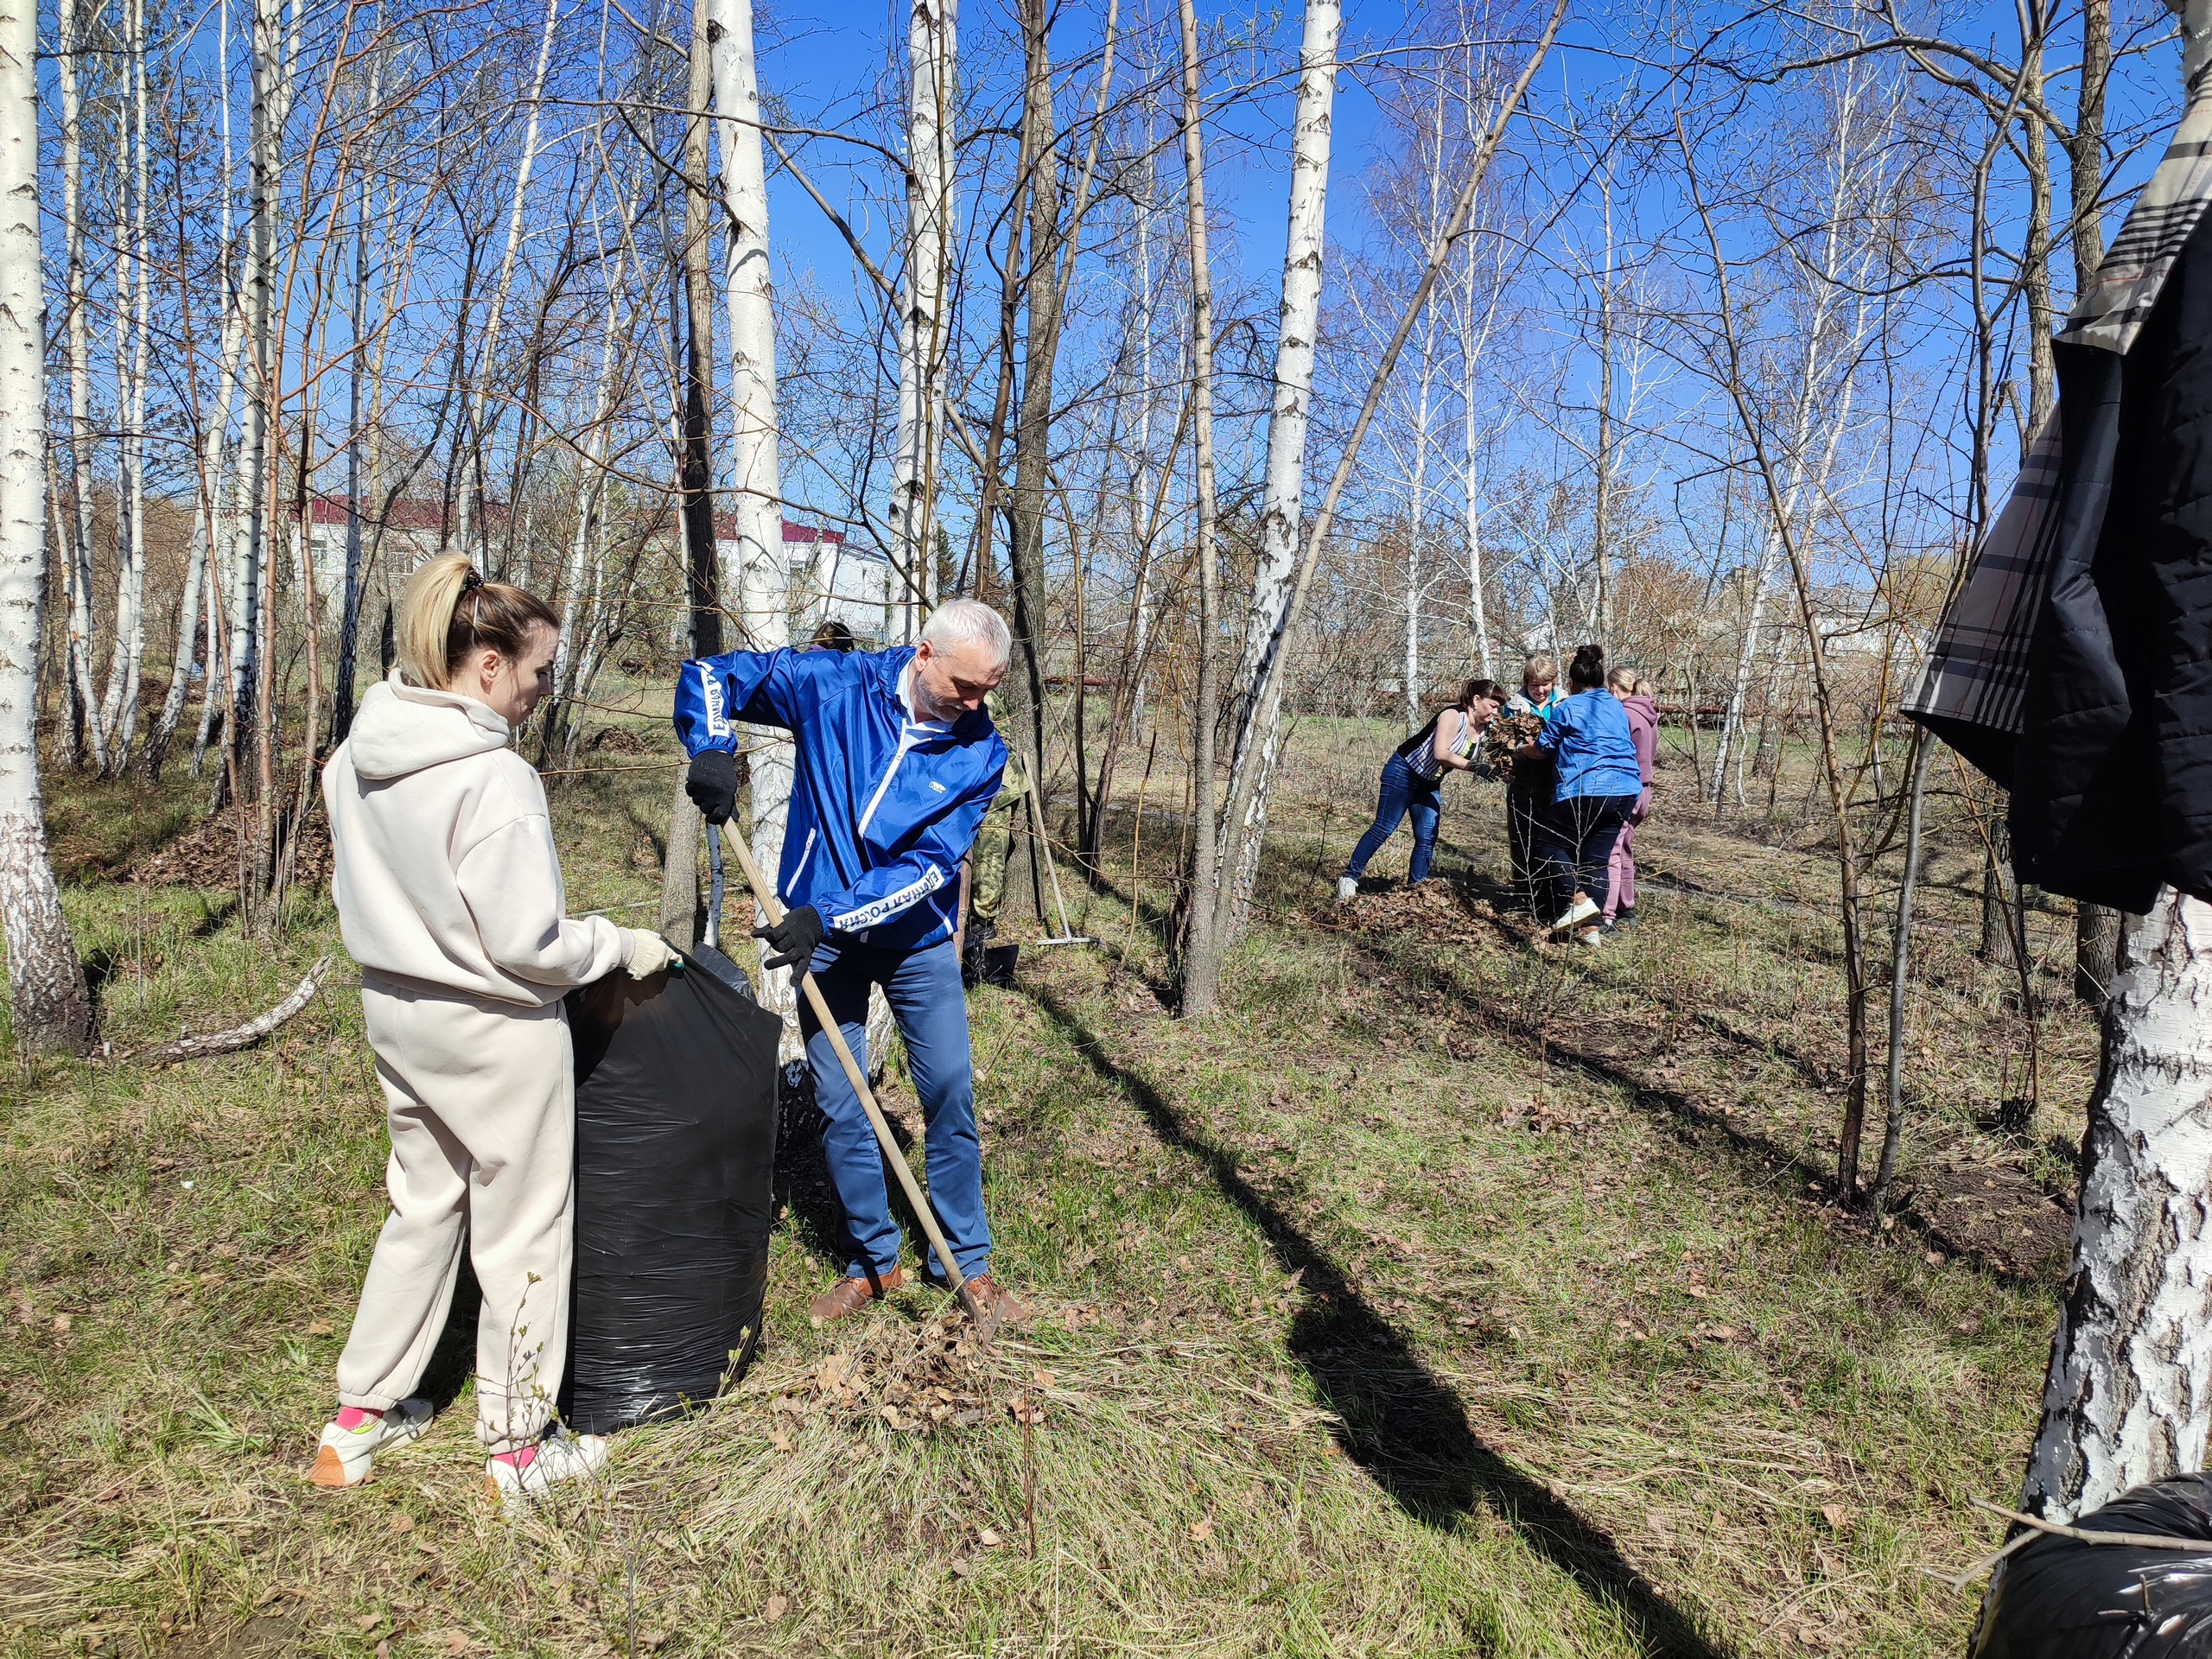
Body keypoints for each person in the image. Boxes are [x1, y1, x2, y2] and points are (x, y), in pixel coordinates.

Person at [313, 555, 673, 1503]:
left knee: (420, 1209)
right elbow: (530, 945)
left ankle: (357, 1420)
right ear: (486, 668)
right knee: (523, 1231)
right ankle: (517, 1451)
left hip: (396, 1017)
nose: (542, 692)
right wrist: (619, 942)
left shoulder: (350, 760)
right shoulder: (496, 780)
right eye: (539, 672)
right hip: (496, 1030)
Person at [675, 598, 1027, 1328]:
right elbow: (713, 676)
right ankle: (875, 1260)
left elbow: (932, 865)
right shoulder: (834, 684)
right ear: (923, 655)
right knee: (842, 1100)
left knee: (950, 1096)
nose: (976, 704)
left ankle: (965, 1261)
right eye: (966, 686)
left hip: (913, 941)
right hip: (822, 942)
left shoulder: (981, 752)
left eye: (989, 689)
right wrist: (710, 747)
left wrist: (826, 913)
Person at [1335, 678, 1506, 901]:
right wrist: (1477, 768)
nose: (1496, 712)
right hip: (1403, 772)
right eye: (1493, 705)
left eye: (1498, 708)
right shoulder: (1453, 716)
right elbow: (1441, 753)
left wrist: (1504, 771)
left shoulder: (1485, 730)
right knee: (1385, 827)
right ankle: (1349, 878)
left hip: (1429, 783)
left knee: (1427, 837)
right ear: (1476, 700)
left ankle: (1415, 891)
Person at [1522, 643, 1643, 946]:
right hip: (1627, 788)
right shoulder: (1616, 705)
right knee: (1596, 859)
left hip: (1586, 787)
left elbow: (1541, 749)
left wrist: (1521, 749)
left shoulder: (1568, 706)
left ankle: (1578, 900)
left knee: (1547, 843)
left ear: (1572, 684)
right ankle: (1593, 930)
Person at [963, 688, 1031, 982]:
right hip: (984, 782)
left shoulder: (980, 699)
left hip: (997, 787)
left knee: (989, 856)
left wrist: (981, 914)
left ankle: (982, 926)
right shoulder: (970, 691)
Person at [1503, 654, 1560, 912]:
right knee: (1522, 836)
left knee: (1552, 836)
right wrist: (1505, 763)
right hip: (1523, 777)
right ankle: (1525, 893)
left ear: (1554, 682)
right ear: (1526, 683)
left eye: (1545, 684)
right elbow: (1500, 740)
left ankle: (1553, 893)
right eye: (1534, 684)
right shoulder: (1513, 706)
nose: (1540, 690)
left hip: (1557, 777)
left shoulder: (1565, 703)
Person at [1604, 670, 1658, 931]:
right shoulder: (1648, 711)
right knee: (1625, 846)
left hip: (1627, 787)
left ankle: (1607, 914)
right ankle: (1627, 906)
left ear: (1614, 688)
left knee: (1611, 849)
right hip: (1645, 789)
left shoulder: (1624, 714)